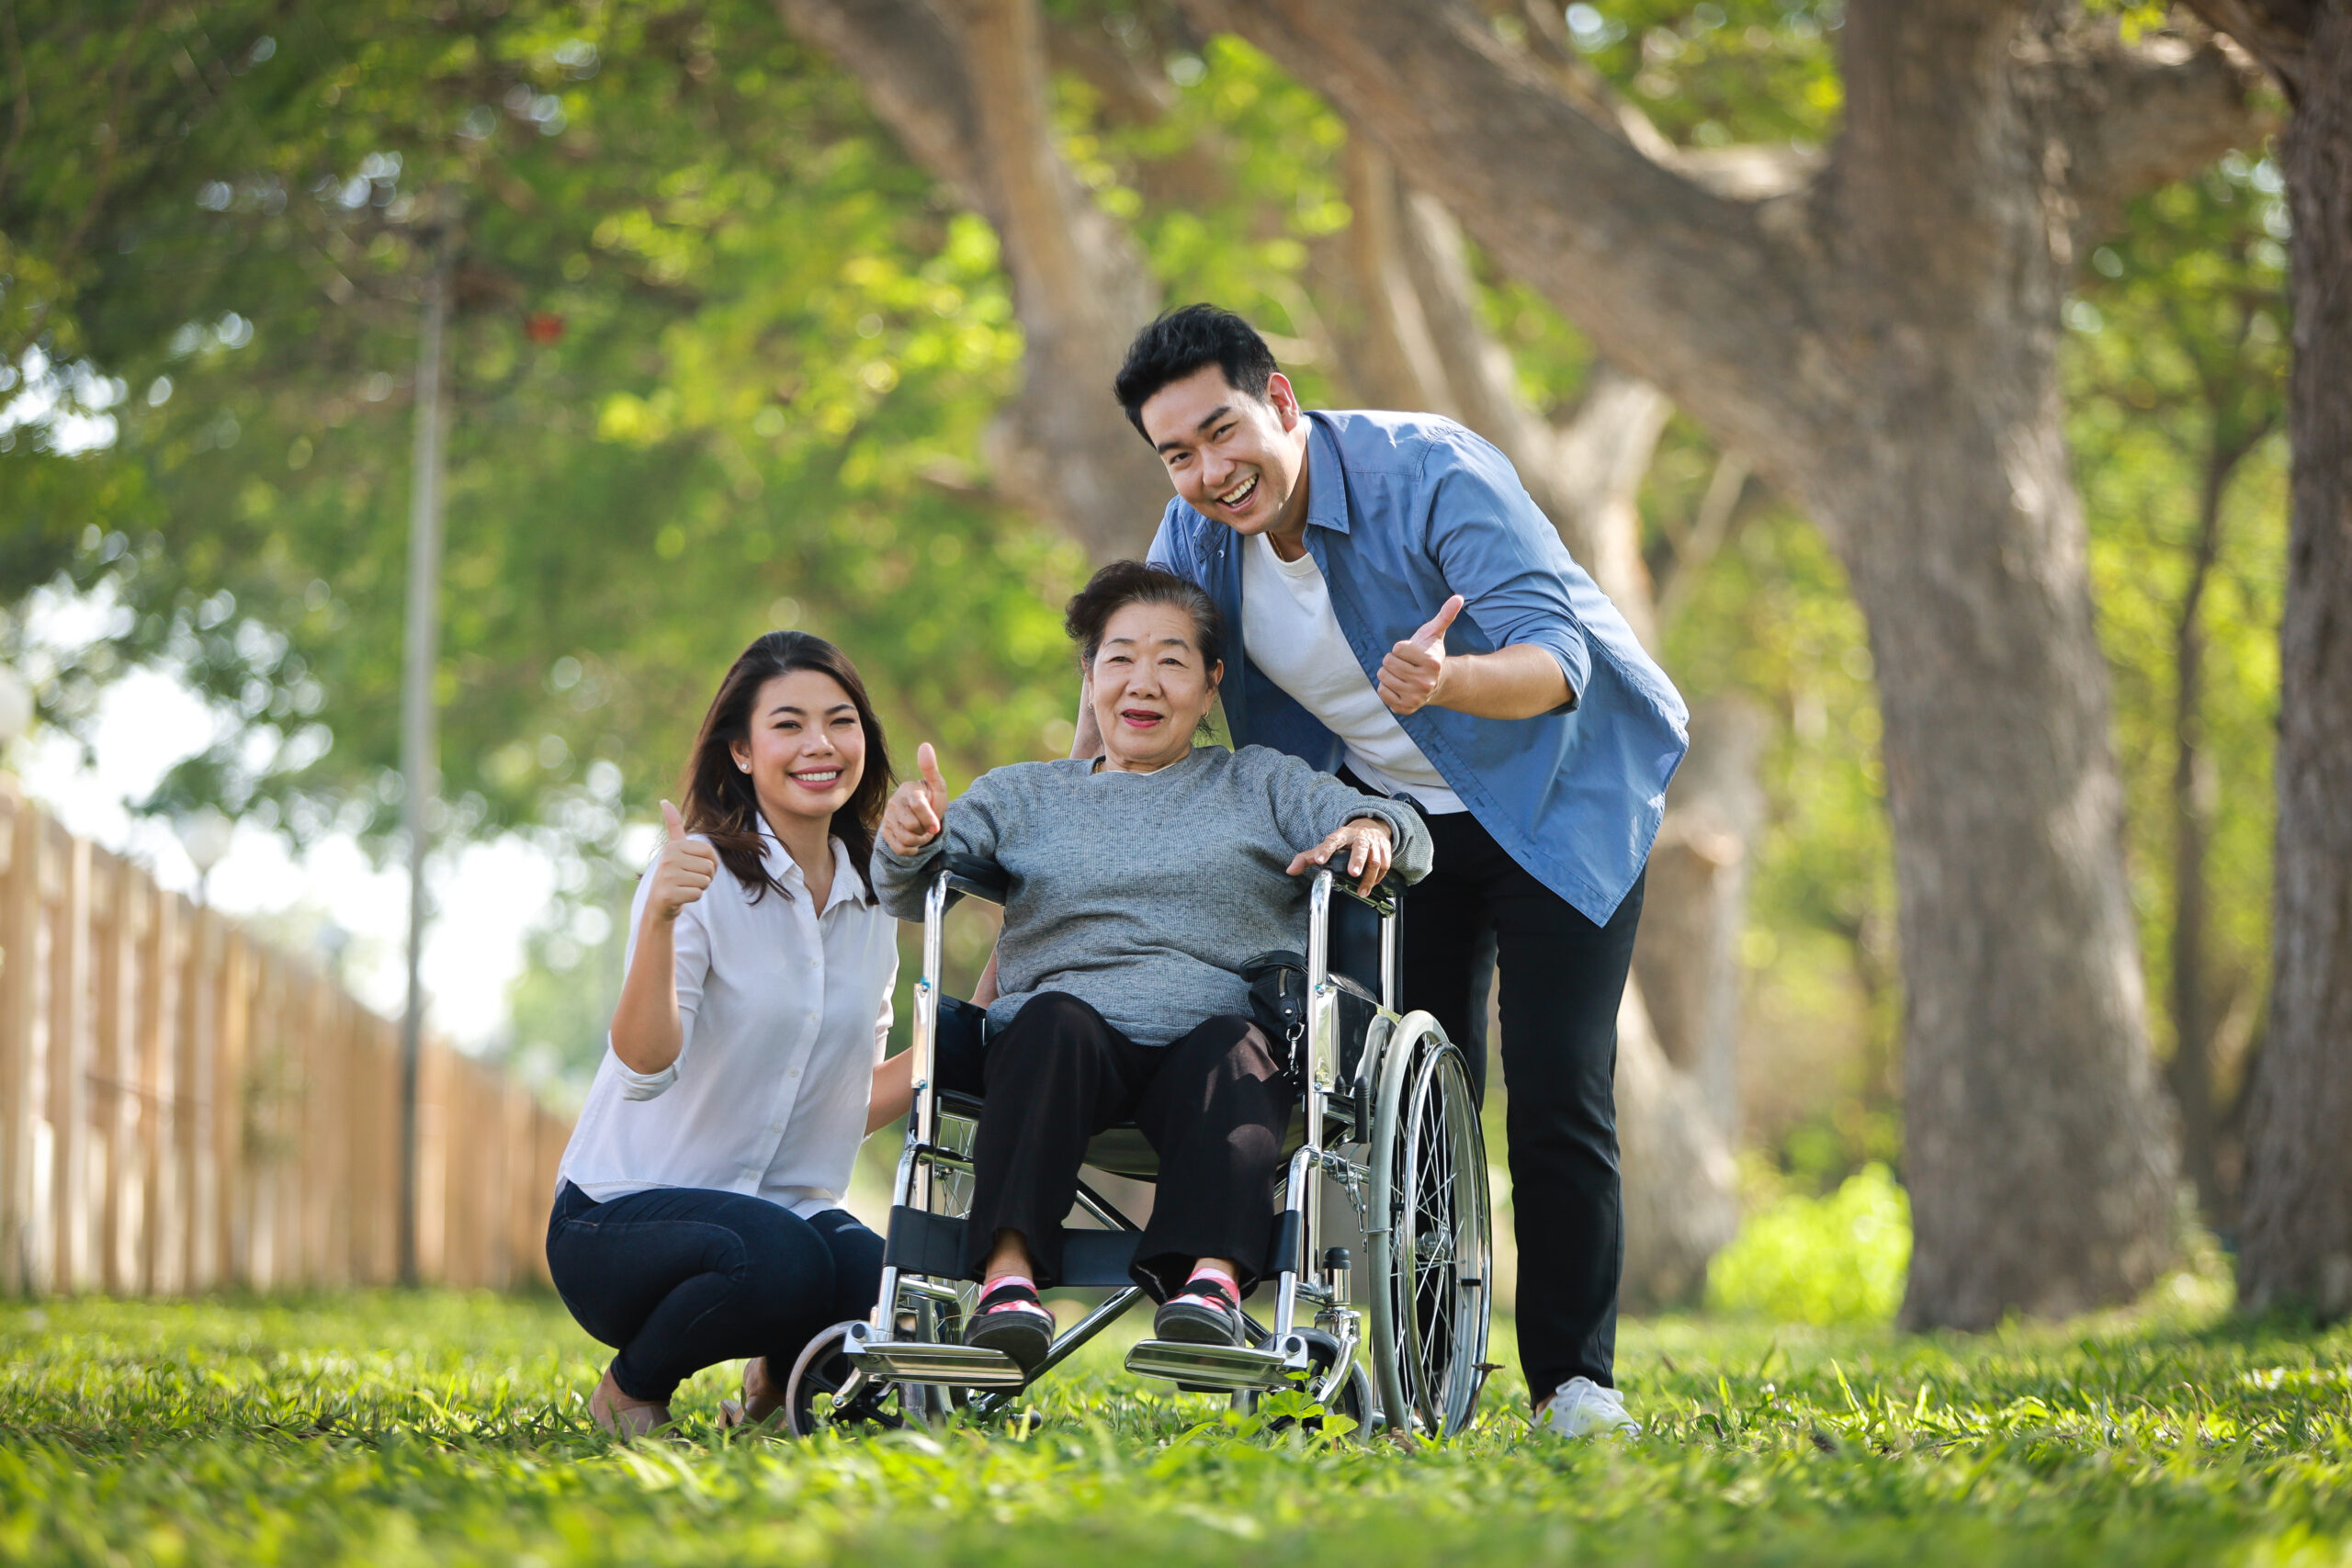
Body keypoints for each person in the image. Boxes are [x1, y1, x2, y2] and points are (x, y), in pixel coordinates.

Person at [1110, 305, 1688, 1438]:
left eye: (1223, 434)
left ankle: (1575, 1384)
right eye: (1177, 453)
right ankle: (1429, 1376)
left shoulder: (1430, 471)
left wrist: (1445, 682)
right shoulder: (1192, 541)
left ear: (1279, 401)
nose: (1209, 472)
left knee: (1557, 1084)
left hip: (1556, 798)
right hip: (1392, 834)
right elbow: (1148, 689)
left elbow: (1557, 659)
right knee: (1406, 1105)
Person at [870, 561, 1430, 1374]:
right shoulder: (1023, 797)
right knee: (1047, 1019)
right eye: (1120, 657)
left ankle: (1210, 1285)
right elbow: (906, 884)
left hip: (1211, 1056)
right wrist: (907, 832)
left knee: (1236, 1043)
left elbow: (1411, 834)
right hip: (1061, 1060)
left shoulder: (1258, 782)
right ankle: (1006, 1282)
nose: (1143, 682)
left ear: (1210, 688)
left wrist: (1374, 825)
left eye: (1171, 661)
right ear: (1090, 678)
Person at [547, 632, 915, 1436]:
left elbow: (840, 1102)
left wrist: (985, 1008)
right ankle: (631, 1390)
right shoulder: (697, 870)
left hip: (775, 1216)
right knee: (783, 1258)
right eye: (788, 725)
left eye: (840, 721)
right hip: (618, 1221)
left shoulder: (874, 896)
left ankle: (770, 1394)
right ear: (742, 752)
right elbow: (643, 1065)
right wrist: (659, 919)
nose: (819, 744)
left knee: (881, 1282)